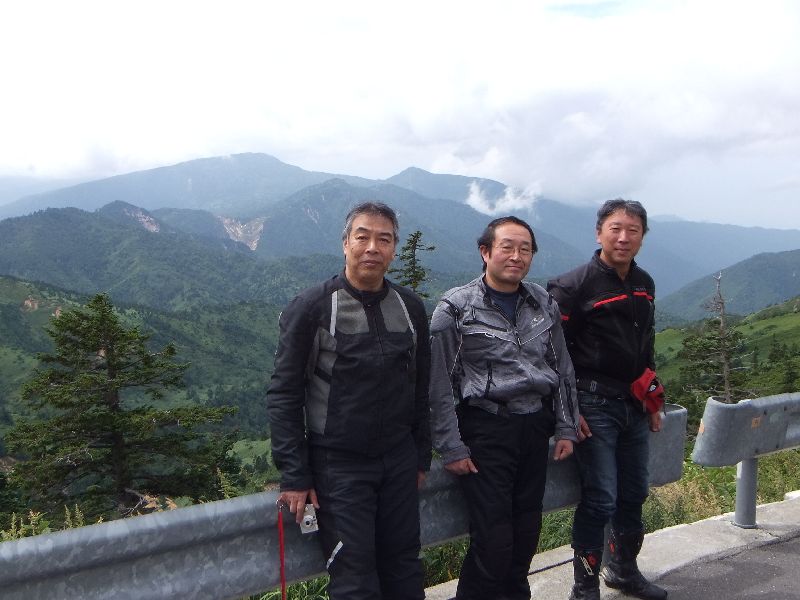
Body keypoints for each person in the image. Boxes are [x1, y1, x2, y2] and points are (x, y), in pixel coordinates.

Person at [266, 202, 431, 600]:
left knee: (405, 568)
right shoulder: (313, 308)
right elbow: (285, 393)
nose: (372, 247)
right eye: (363, 237)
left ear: (393, 250)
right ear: (345, 244)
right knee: (354, 578)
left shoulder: (409, 308)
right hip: (338, 464)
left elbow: (420, 385)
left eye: (384, 239)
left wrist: (420, 457)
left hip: (398, 459)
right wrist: (295, 475)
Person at [429, 215, 580, 600]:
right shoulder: (456, 308)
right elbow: (438, 384)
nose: (516, 256)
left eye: (525, 249)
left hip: (534, 427)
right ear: (485, 252)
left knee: (526, 531)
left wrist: (566, 426)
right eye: (507, 247)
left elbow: (561, 367)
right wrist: (451, 446)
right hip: (486, 429)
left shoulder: (542, 302)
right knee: (493, 539)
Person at [547, 199, 667, 600]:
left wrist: (653, 401)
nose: (623, 237)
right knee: (601, 500)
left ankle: (623, 571)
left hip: (634, 404)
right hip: (592, 405)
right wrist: (568, 411)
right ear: (598, 232)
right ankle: (584, 588)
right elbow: (553, 356)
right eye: (615, 228)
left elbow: (645, 345)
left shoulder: (644, 283)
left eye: (633, 230)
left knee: (634, 494)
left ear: (643, 237)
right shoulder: (572, 286)